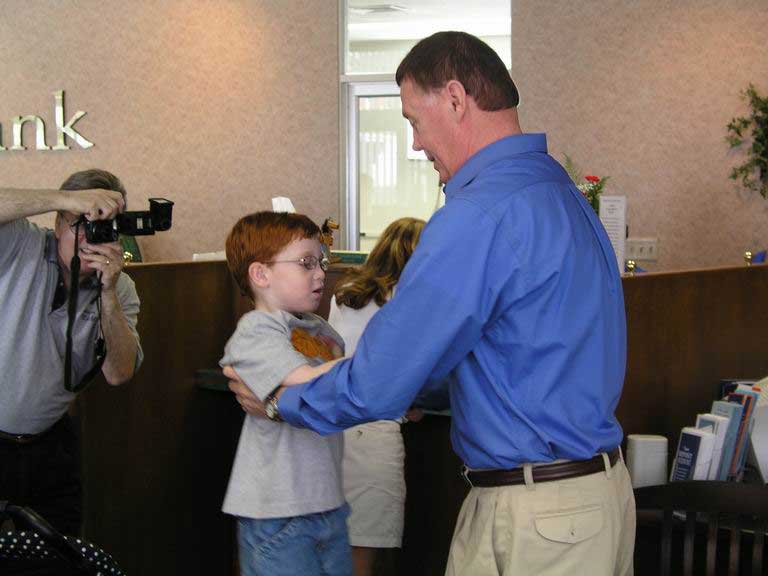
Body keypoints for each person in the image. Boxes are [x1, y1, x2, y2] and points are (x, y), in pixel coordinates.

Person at [229, 31, 635, 576]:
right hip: (595, 500)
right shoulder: (561, 196)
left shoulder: (479, 213)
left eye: (413, 122)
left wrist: (282, 401)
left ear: (454, 98)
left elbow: (380, 379)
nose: (416, 145)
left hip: (538, 515)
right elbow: (516, 354)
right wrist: (414, 385)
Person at [0, 169, 143, 537]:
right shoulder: (21, 243)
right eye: (77, 222)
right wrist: (64, 198)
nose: (88, 235)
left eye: (101, 226)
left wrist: (107, 293)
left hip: (50, 443)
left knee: (58, 557)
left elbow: (119, 372)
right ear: (57, 222)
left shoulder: (120, 286)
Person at [220, 211, 351, 576]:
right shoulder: (256, 328)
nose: (320, 272)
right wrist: (368, 367)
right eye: (306, 262)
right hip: (277, 510)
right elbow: (306, 380)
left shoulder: (323, 330)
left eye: (321, 261)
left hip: (327, 501)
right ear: (260, 274)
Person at [329, 217, 425, 576]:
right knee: (362, 559)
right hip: (374, 436)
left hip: (335, 429)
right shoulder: (407, 298)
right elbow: (412, 368)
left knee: (334, 550)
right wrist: (411, 402)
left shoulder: (346, 291)